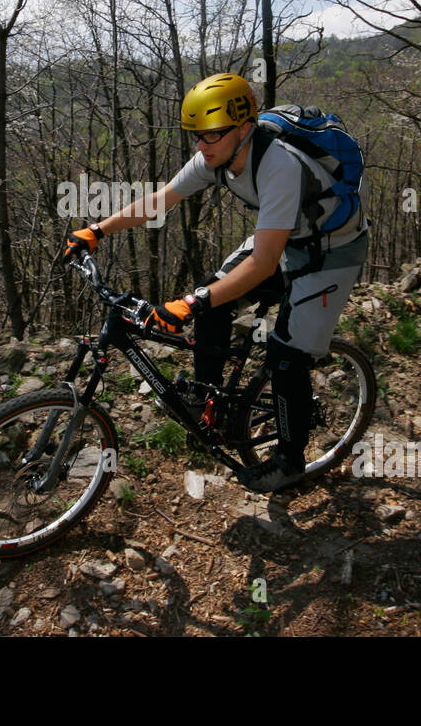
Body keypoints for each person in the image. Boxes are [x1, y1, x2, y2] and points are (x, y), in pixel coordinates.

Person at [63, 72, 370, 492]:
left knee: (285, 355)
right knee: (215, 295)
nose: (200, 146)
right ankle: (208, 401)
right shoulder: (217, 155)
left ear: (244, 129)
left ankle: (289, 458)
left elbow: (261, 264)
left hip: (331, 252)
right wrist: (97, 231)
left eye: (210, 136)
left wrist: (189, 305)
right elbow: (161, 200)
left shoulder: (279, 165)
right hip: (283, 237)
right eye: (196, 136)